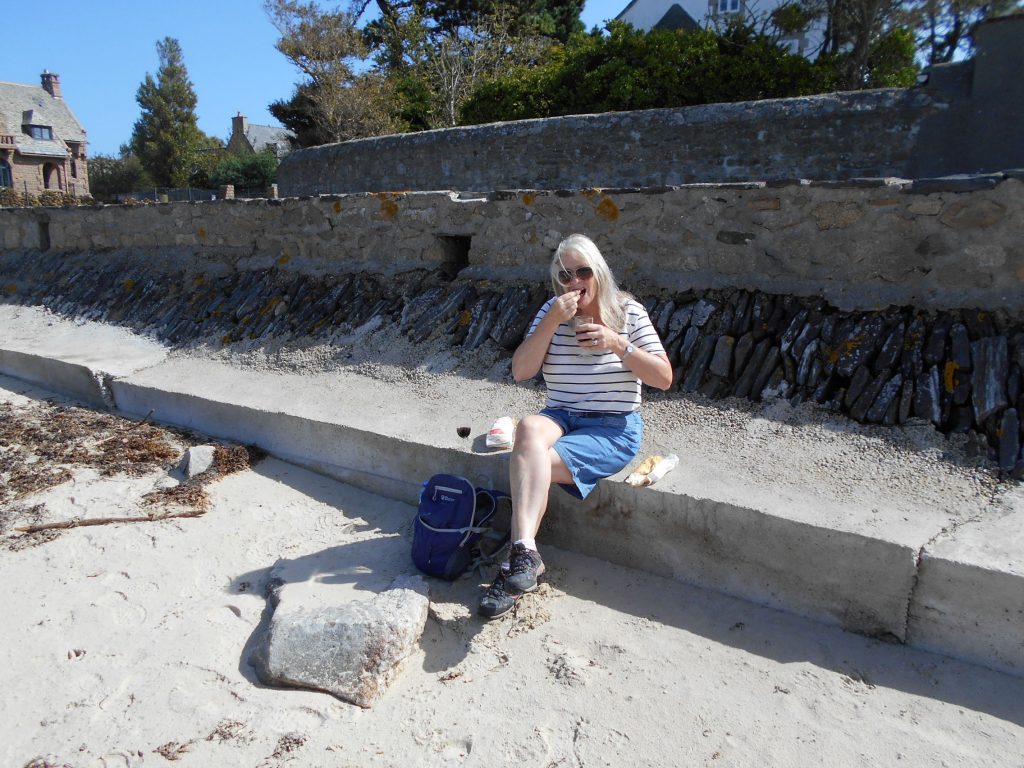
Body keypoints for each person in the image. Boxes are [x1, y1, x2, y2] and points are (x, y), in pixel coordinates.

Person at [479, 234, 673, 618]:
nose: (574, 282)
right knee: (530, 429)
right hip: (562, 415)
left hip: (612, 426)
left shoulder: (628, 313)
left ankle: (513, 565)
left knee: (527, 465)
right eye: (565, 275)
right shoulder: (553, 312)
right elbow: (521, 372)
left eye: (582, 271)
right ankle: (525, 554)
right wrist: (552, 321)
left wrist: (618, 344)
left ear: (598, 272)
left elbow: (664, 378)